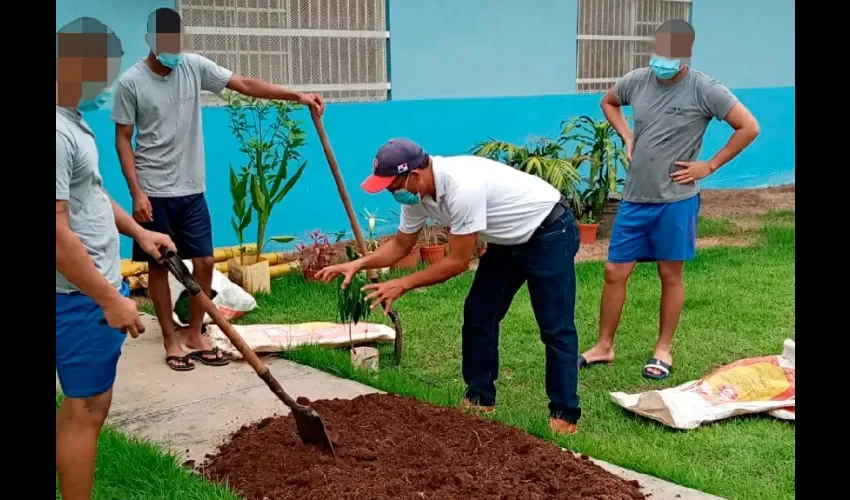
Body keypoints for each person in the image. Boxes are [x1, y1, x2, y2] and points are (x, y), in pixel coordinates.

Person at [316, 139, 582, 434]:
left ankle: (565, 414)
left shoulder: (461, 187)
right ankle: (479, 398)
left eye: (394, 187)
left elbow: (457, 262)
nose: (394, 193)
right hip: (506, 242)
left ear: (414, 175)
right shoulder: (418, 196)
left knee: (555, 325)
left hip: (548, 231)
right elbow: (401, 246)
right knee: (479, 314)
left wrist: (403, 284)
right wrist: (358, 264)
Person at [112, 7, 325, 371]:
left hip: (192, 189)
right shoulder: (131, 82)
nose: (174, 50)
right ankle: (169, 339)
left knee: (206, 261)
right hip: (154, 191)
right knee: (159, 267)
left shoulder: (193, 66)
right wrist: (136, 192)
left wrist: (297, 95)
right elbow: (123, 139)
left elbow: (244, 84)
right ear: (150, 42)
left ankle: (195, 333)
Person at [578, 19, 760, 379]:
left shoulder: (705, 89)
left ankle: (662, 350)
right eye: (659, 51)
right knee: (615, 271)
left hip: (675, 199)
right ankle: (604, 346)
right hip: (635, 198)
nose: (663, 60)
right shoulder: (637, 80)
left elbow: (749, 126)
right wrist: (628, 137)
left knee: (669, 273)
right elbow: (609, 101)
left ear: (686, 55)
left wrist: (708, 166)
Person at [56, 17, 176, 500]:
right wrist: (108, 297)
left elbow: (93, 196)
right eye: (100, 73)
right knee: (86, 409)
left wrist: (141, 235)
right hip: (79, 296)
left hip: (87, 292)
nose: (107, 84)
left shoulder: (72, 122)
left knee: (85, 407)